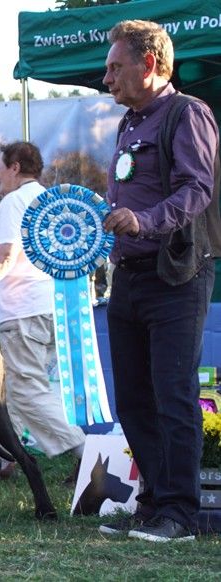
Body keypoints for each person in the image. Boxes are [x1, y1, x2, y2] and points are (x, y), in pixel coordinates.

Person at [99, 20, 218, 542]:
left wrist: (144, 221)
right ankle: (152, 504)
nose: (107, 79)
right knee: (133, 399)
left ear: (148, 64)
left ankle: (181, 515)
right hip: (128, 276)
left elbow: (197, 189)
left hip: (176, 276)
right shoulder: (128, 123)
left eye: (115, 67)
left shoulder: (188, 113)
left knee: (173, 395)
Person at [0, 142, 85, 478]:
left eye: (0, 167)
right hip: (53, 307)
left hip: (23, 311)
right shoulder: (50, 200)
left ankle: (88, 453)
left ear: (15, 167)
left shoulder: (13, 202)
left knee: (27, 391)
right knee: (19, 386)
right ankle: (2, 458)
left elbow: (5, 256)